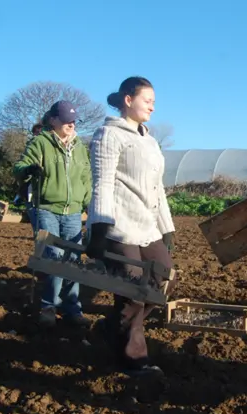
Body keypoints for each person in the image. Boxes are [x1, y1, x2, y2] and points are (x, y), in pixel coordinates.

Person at [85, 76, 177, 376]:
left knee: (163, 281)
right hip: (120, 225)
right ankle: (134, 358)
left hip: (147, 227)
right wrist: (99, 227)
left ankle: (113, 327)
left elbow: (157, 187)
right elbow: (103, 183)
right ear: (128, 100)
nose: (152, 105)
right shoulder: (108, 135)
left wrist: (167, 228)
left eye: (153, 100)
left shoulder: (149, 140)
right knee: (133, 289)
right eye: (146, 99)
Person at [13, 100, 93, 327]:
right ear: (53, 120)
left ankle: (72, 308)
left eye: (73, 120)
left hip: (73, 211)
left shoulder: (79, 146)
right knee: (54, 257)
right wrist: (28, 169)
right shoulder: (40, 143)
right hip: (47, 208)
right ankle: (48, 306)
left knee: (73, 259)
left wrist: (89, 205)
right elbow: (18, 168)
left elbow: (86, 178)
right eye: (66, 119)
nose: (71, 123)